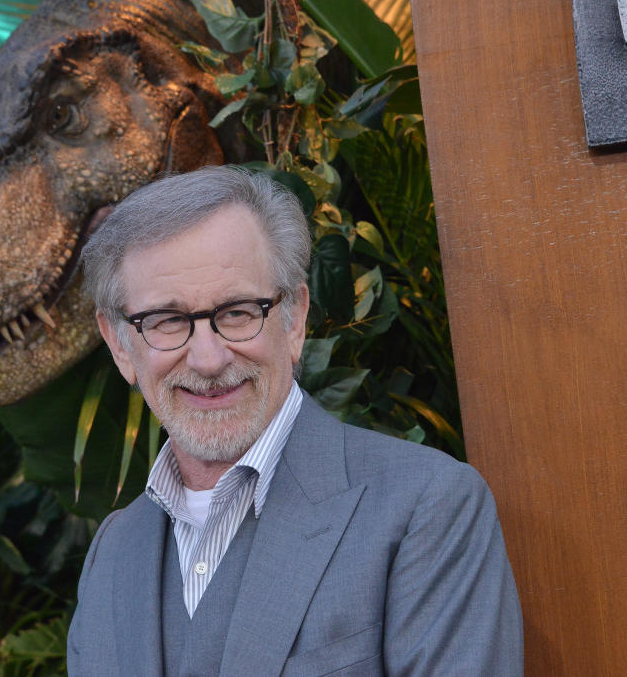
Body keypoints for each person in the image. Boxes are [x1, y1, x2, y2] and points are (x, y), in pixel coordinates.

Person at [68, 165, 523, 676]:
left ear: (295, 319)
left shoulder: (427, 506)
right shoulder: (112, 552)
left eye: (238, 311)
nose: (209, 358)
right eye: (168, 321)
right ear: (120, 346)